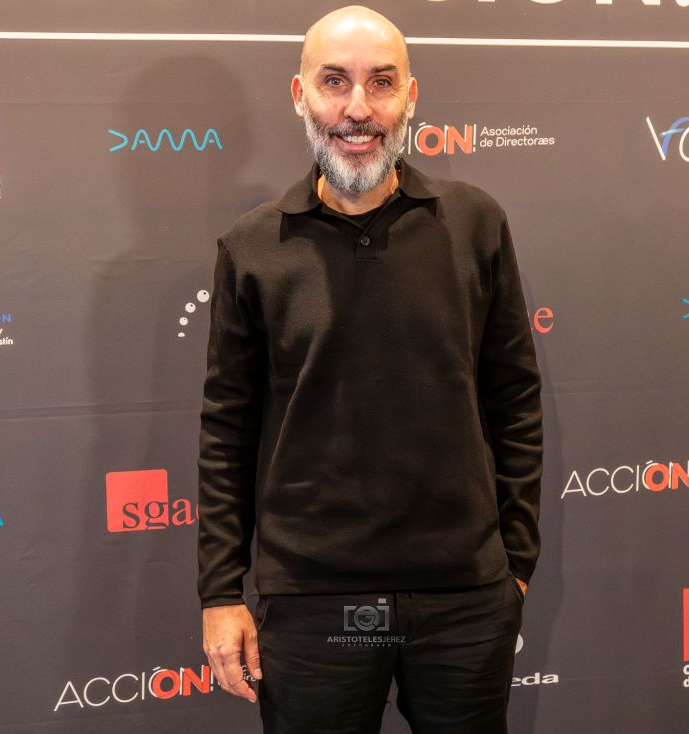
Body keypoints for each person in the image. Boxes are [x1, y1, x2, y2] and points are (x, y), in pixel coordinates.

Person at [198, 6, 543, 733]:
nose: (358, 108)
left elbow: (514, 398)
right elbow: (227, 431)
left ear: (410, 97)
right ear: (300, 96)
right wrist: (220, 592)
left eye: (381, 83)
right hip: (312, 603)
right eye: (335, 82)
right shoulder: (252, 248)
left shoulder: (475, 223)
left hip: (464, 600)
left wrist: (515, 565)